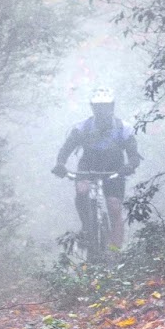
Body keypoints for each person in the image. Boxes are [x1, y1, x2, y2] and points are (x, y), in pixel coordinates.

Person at [53, 89, 140, 251]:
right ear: (93, 108)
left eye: (105, 107)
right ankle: (87, 226)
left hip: (115, 168)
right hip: (88, 166)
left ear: (111, 107)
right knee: (82, 190)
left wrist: (130, 166)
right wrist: (60, 164)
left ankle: (115, 251)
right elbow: (66, 149)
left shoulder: (123, 128)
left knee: (114, 207)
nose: (102, 111)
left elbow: (134, 155)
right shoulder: (82, 127)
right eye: (98, 107)